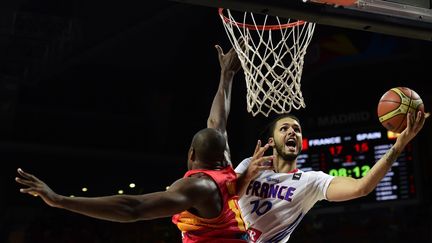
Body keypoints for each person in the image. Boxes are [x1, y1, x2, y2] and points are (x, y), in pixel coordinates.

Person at [208, 45, 428, 242]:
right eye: (284, 128)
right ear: (271, 142)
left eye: (297, 129)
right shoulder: (250, 165)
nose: (292, 132)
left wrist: (398, 146)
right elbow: (215, 133)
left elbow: (362, 187)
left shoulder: (311, 182)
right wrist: (226, 76)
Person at [16, 127, 252, 243]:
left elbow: (133, 208)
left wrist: (59, 200)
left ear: (191, 153)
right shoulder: (227, 171)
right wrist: (225, 77)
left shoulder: (199, 186)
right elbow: (217, 122)